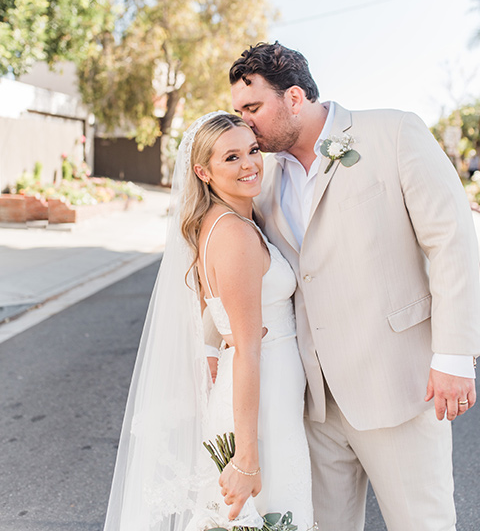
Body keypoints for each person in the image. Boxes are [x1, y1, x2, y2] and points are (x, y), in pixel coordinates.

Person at [225, 41, 480, 531]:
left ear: (295, 97)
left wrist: (454, 355)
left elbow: (453, 242)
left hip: (399, 385)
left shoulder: (393, 132)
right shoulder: (263, 172)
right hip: (313, 401)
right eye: (238, 111)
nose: (245, 124)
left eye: (253, 108)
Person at [103, 111, 313, 531]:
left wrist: (212, 347)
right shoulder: (233, 234)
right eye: (230, 157)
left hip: (269, 396)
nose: (249, 164)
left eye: (252, 150)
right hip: (260, 403)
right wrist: (247, 456)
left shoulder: (225, 222)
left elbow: (213, 312)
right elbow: (250, 349)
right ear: (203, 171)